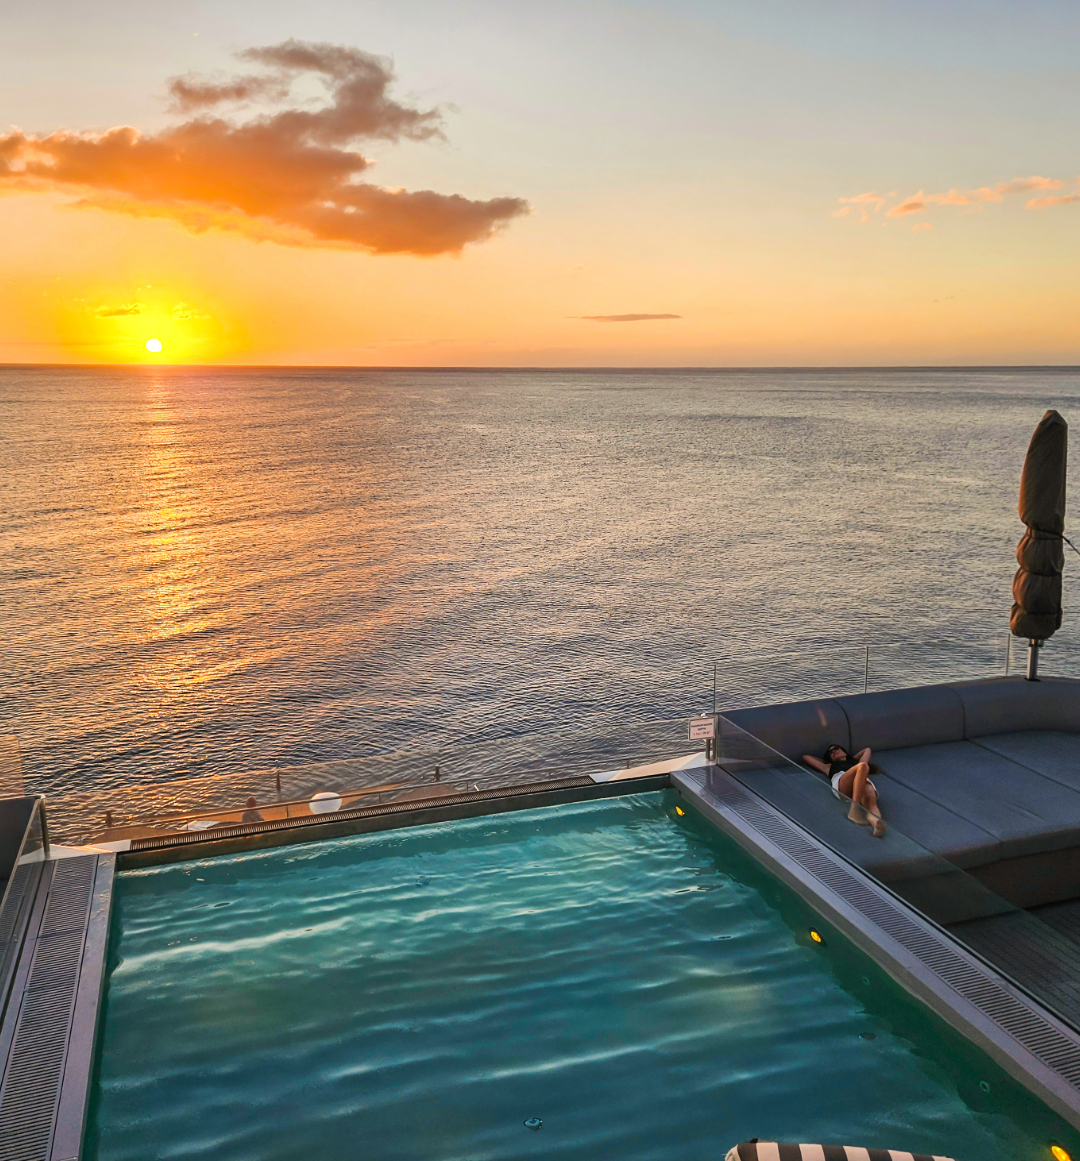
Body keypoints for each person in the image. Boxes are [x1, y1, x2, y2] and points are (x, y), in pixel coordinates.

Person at [802, 743, 886, 837]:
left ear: (845, 752)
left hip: (862, 781)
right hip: (842, 782)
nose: (833, 751)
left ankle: (876, 823)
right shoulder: (828, 766)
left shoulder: (855, 762)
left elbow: (867, 749)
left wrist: (851, 758)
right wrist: (826, 760)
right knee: (863, 766)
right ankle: (854, 811)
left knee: (871, 805)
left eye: (836, 748)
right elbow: (806, 757)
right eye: (830, 752)